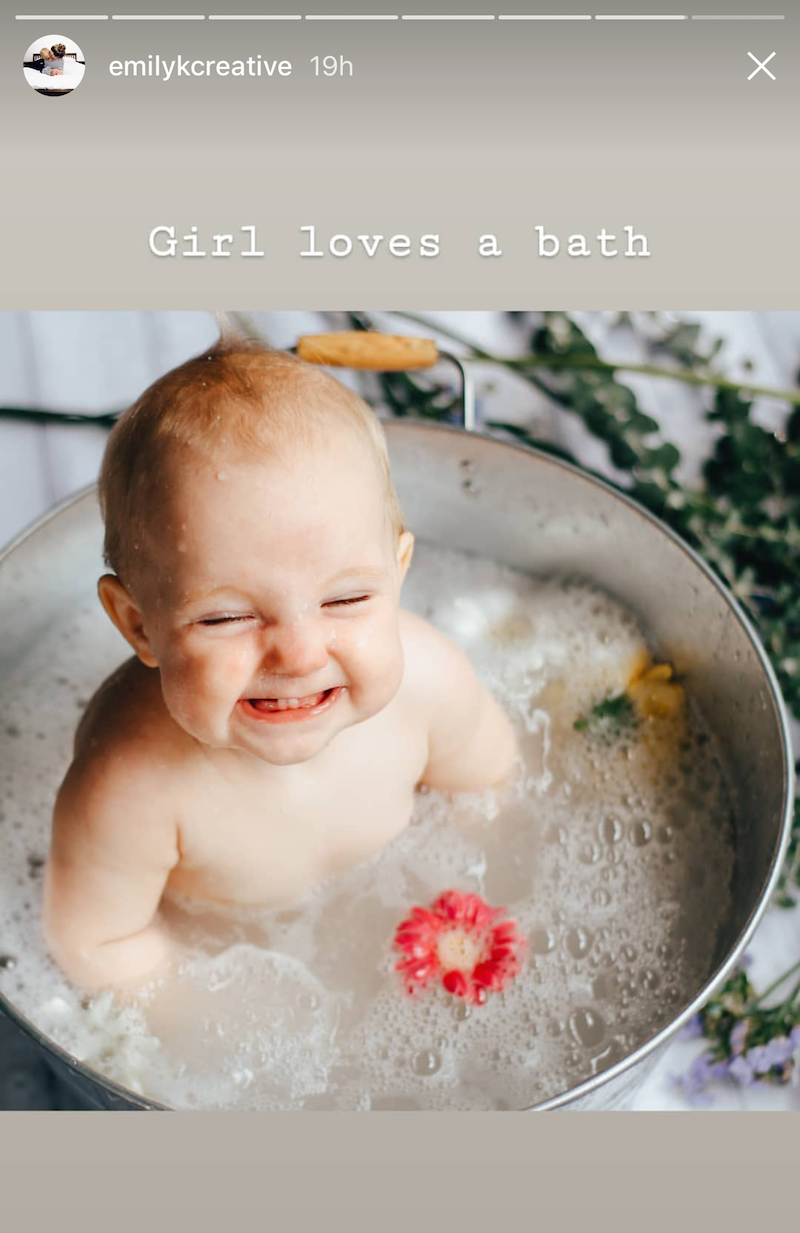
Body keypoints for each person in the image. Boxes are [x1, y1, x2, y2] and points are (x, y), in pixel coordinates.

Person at [43, 338, 517, 993]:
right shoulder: (129, 787)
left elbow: (488, 785)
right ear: (137, 625)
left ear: (398, 573)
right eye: (225, 617)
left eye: (347, 598)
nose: (297, 653)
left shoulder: (431, 684)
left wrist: (474, 883)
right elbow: (99, 941)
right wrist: (208, 1035)